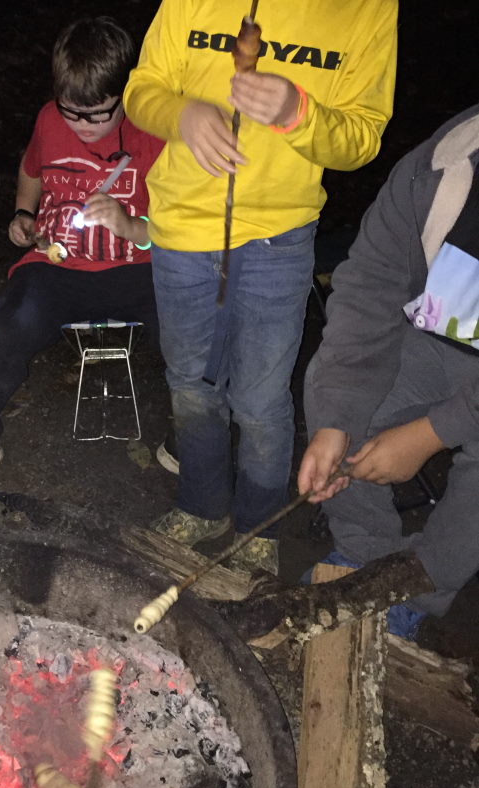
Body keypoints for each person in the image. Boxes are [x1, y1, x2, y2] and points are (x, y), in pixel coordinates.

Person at [122, 0, 398, 571]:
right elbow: (141, 89)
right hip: (182, 230)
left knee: (261, 400)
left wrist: (300, 113)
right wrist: (184, 115)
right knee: (192, 385)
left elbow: (362, 139)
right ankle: (201, 507)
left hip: (280, 237)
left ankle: (257, 529)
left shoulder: (368, 9)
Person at [0, 16, 164, 481]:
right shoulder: (49, 120)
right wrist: (22, 215)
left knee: (195, 347)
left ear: (128, 93)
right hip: (57, 266)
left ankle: (194, 447)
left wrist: (131, 224)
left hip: (142, 267)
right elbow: (31, 169)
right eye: (73, 111)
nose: (84, 125)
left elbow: (182, 226)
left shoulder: (154, 129)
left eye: (99, 113)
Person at [299, 104, 479, 635]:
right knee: (333, 389)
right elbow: (372, 283)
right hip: (449, 330)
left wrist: (431, 433)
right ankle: (364, 557)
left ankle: (418, 590)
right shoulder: (448, 160)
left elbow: (439, 430)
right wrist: (336, 420)